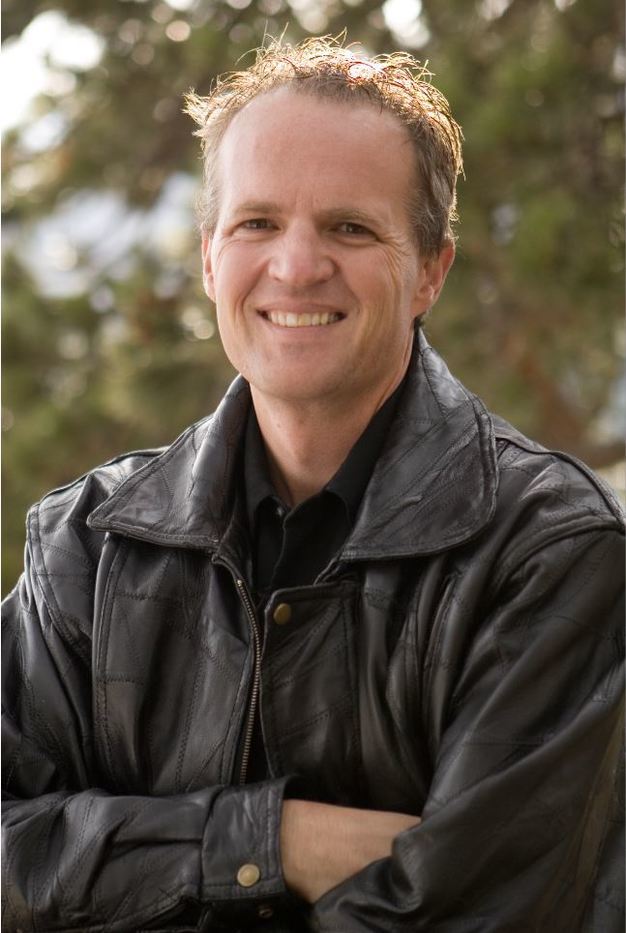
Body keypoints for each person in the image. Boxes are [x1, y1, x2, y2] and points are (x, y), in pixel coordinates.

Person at [2, 35, 624, 933]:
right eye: (257, 223)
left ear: (431, 270)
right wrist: (271, 840)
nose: (296, 267)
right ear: (210, 258)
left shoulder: (552, 553)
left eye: (350, 228)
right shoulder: (86, 544)